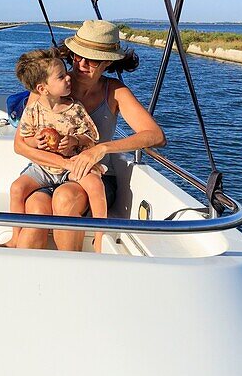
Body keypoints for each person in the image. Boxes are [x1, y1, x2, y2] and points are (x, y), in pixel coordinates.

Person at [15, 20, 166, 252]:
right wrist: (61, 160)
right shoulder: (49, 87)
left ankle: (72, 271)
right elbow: (21, 145)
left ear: (107, 62)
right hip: (49, 171)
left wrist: (102, 148)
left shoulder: (115, 92)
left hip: (94, 176)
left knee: (65, 198)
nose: (81, 63)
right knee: (35, 206)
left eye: (92, 59)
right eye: (77, 56)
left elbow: (155, 135)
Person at [0, 49, 108, 252]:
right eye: (61, 76)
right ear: (43, 88)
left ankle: (101, 237)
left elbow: (91, 137)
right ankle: (15, 237)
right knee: (17, 188)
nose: (69, 78)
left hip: (72, 164)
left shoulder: (75, 108)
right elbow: (25, 139)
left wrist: (75, 141)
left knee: (95, 184)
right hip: (44, 167)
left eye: (66, 73)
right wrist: (36, 142)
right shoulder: (32, 111)